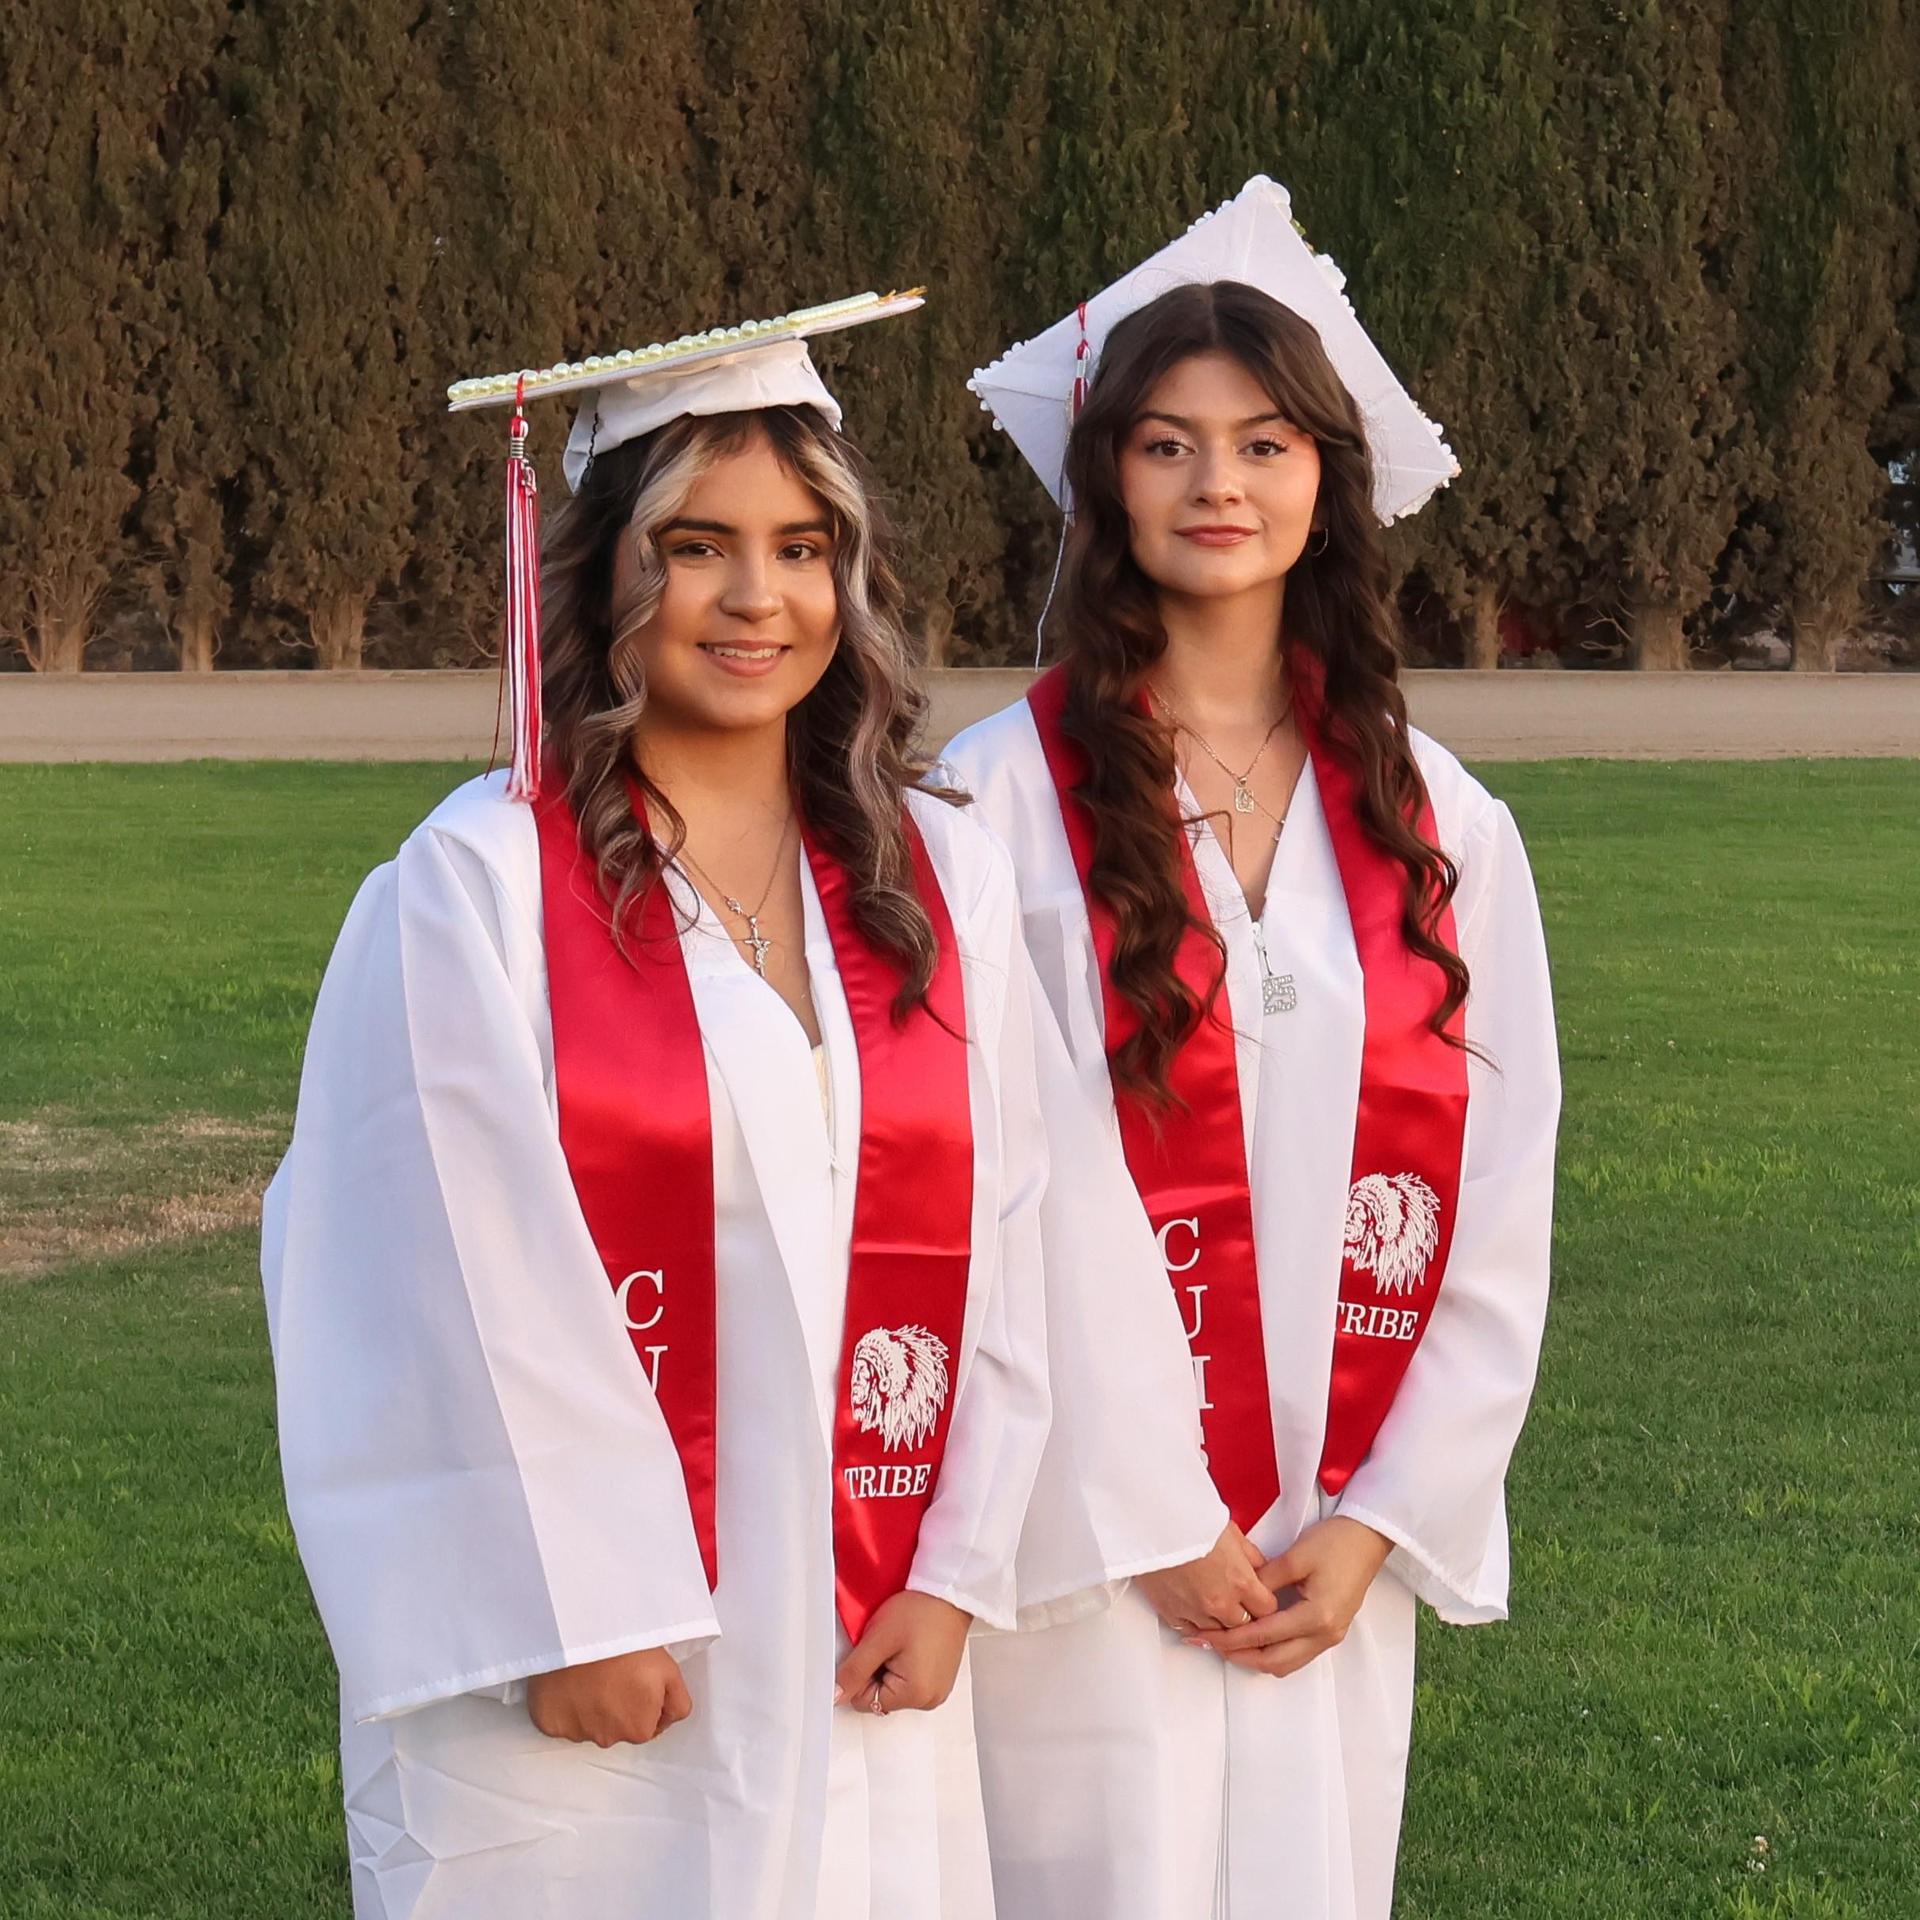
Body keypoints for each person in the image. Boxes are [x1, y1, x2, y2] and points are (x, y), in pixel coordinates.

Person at [261, 291, 1204, 1920]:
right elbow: (425, 1269)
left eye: (802, 548)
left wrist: (957, 1567)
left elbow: (1015, 1237)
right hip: (608, 1662)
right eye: (697, 547)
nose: (760, 597)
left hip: (868, 1624)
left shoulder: (941, 875)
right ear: (602, 576)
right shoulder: (476, 889)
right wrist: (568, 1604)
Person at [946, 178, 1562, 1920]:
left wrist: (1376, 1522)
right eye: (1168, 445)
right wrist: (1150, 1512)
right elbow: (983, 1194)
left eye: (1265, 443)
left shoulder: (1444, 823)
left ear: (1324, 482)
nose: (1218, 484)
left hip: (1322, 1551)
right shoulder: (993, 806)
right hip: (1089, 1552)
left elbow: (1500, 1200)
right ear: (1105, 484)